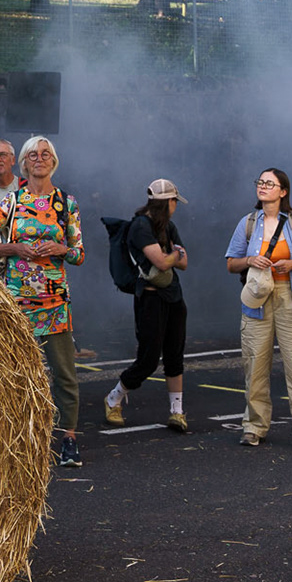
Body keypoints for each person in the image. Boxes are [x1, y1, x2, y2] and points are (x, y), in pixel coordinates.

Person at [0, 137, 86, 467]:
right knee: (17, 373)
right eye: (33, 155)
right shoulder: (11, 203)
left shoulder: (66, 204)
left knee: (64, 374)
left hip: (54, 304)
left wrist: (61, 250)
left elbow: (79, 254)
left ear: (54, 161)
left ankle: (68, 438)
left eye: (46, 154)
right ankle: (18, 441)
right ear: (23, 163)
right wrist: (15, 249)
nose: (39, 159)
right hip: (17, 303)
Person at [225, 169, 292, 450]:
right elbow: (231, 263)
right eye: (260, 182)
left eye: (270, 183)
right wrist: (249, 261)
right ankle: (254, 427)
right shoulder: (247, 223)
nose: (263, 187)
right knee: (255, 365)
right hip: (257, 298)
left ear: (283, 191)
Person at [103, 179, 192, 432]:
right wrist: (174, 256)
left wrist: (172, 257)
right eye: (175, 201)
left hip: (174, 296)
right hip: (151, 299)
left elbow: (183, 262)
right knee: (148, 359)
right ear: (169, 202)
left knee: (175, 354)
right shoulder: (140, 226)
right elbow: (164, 262)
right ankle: (114, 398)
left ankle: (177, 412)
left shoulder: (169, 226)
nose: (176, 206)